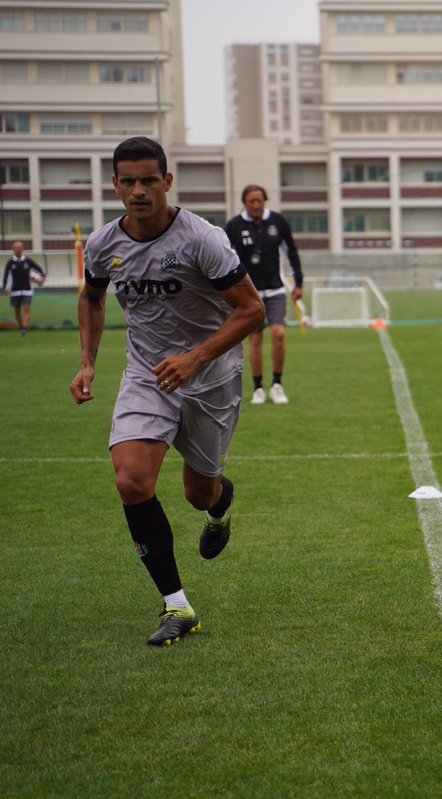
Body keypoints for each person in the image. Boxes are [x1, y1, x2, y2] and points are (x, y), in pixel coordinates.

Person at [70, 136, 265, 646]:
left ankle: (220, 506)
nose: (138, 191)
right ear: (115, 185)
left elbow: (251, 310)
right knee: (132, 481)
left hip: (211, 378)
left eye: (148, 180)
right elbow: (91, 298)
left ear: (167, 182)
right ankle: (177, 607)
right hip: (146, 376)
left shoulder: (202, 238)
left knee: (197, 491)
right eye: (128, 181)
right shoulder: (102, 244)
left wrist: (195, 357)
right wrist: (88, 362)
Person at [224, 185, 304, 405]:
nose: (256, 205)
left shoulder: (277, 222)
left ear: (265, 201)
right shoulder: (234, 226)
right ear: (245, 203)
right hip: (249, 294)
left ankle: (277, 384)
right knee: (255, 339)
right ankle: (258, 388)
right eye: (252, 201)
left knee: (279, 333)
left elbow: (292, 251)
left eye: (260, 200)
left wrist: (299, 283)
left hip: (276, 290)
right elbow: (225, 258)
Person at [3, 241, 46, 336]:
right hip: (15, 291)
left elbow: (39, 269)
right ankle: (21, 327)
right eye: (15, 248)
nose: (17, 250)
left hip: (27, 290)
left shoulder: (28, 261)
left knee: (26, 308)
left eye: (19, 248)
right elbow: (6, 275)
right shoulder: (10, 262)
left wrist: (42, 278)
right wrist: (5, 287)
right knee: (17, 312)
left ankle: (25, 327)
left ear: (22, 249)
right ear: (13, 249)